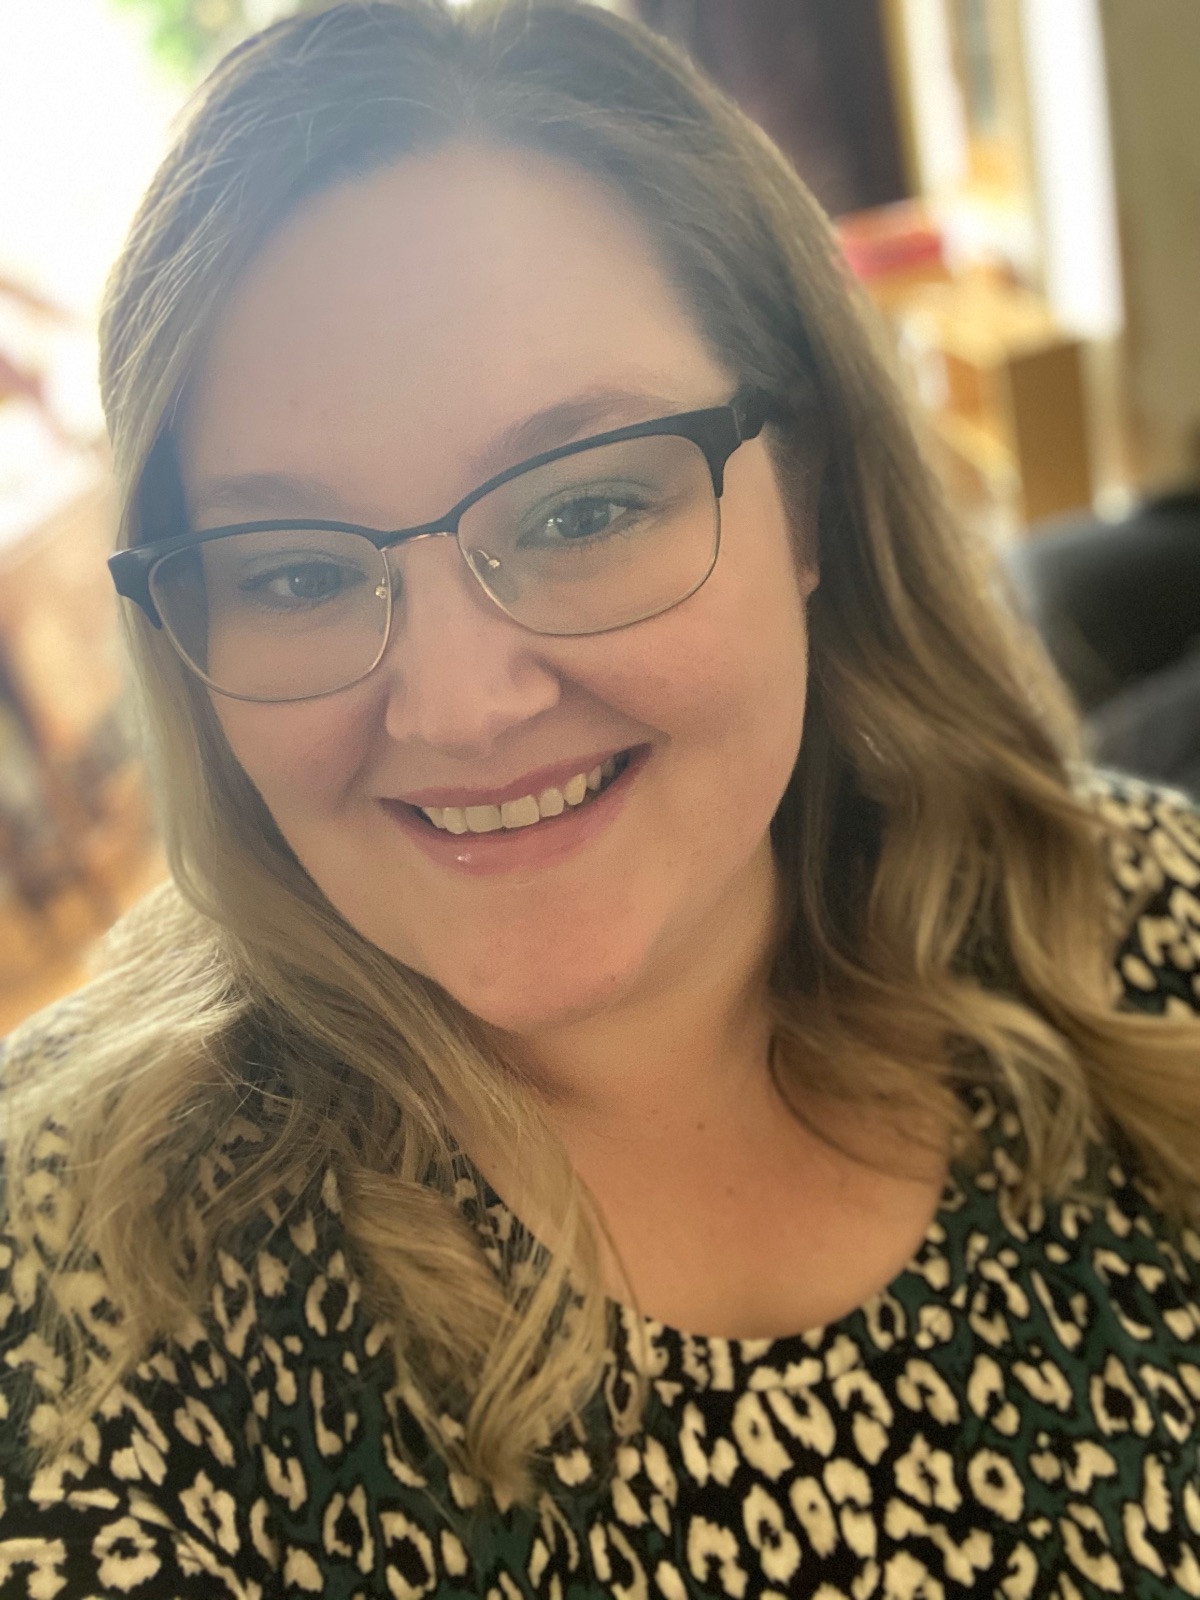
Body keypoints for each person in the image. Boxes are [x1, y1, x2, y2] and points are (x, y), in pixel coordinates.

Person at [1, 3, 1198, 1595]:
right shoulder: (75, 1289)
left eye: (581, 509)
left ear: (811, 496)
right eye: (294, 572)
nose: (456, 707)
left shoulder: (1151, 935)